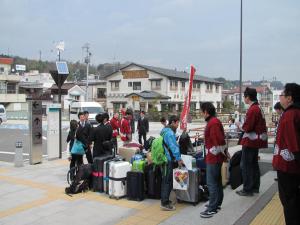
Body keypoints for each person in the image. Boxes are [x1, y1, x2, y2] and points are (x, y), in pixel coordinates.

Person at [272, 83, 300, 225]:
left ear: (289, 98)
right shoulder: (295, 113)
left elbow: (293, 144)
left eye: (282, 95)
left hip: (287, 166)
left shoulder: (289, 115)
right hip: (291, 166)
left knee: (289, 201)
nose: (280, 98)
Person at [236, 87, 267, 196]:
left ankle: (247, 189)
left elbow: (247, 127)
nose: (244, 99)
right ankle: (254, 187)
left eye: (244, 97)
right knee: (253, 164)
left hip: (250, 141)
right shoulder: (258, 107)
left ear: (248, 97)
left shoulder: (253, 109)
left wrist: (239, 125)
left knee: (246, 165)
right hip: (256, 141)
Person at [199, 102, 226, 218]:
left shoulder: (213, 122)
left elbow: (218, 140)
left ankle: (212, 208)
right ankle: (217, 203)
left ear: (206, 111)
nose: (201, 114)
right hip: (216, 156)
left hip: (214, 158)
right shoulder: (214, 121)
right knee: (217, 182)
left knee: (212, 183)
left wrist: (219, 152)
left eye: (202, 111)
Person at [160, 115, 184, 211]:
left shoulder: (165, 130)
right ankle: (164, 203)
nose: (178, 125)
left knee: (166, 180)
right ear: (173, 122)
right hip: (168, 159)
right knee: (167, 181)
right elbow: (174, 147)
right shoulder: (169, 133)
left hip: (164, 158)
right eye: (177, 123)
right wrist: (178, 159)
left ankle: (165, 200)